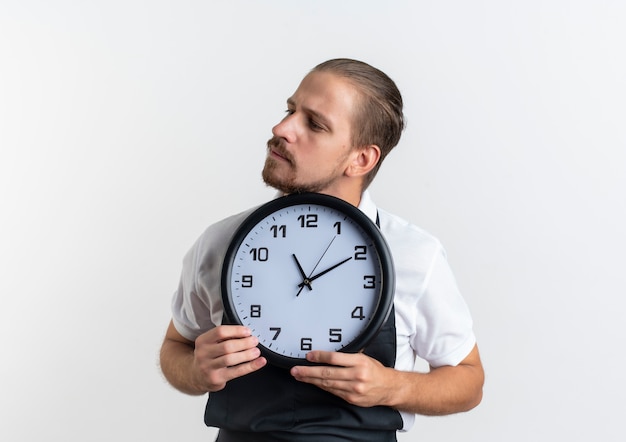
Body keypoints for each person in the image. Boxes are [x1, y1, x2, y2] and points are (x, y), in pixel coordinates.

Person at [160, 58, 484, 441]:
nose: (281, 128)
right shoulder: (221, 241)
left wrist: (393, 387)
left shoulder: (415, 254)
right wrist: (196, 372)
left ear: (361, 158)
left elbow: (469, 380)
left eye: (314, 124)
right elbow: (176, 346)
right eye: (290, 110)